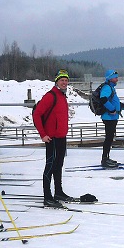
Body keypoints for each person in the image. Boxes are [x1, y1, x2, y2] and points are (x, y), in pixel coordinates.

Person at [33, 70, 74, 208]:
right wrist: (43, 134)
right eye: (62, 80)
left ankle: (58, 192)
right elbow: (37, 115)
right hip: (52, 138)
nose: (64, 82)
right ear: (56, 81)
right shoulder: (51, 96)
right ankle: (47, 196)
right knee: (50, 166)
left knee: (59, 165)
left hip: (61, 137)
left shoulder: (62, 96)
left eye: (66, 80)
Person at [99, 70, 124, 168]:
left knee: (110, 138)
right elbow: (103, 99)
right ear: (110, 78)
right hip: (109, 117)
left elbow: (110, 99)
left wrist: (119, 105)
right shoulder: (107, 87)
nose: (117, 79)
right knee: (109, 138)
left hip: (112, 117)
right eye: (115, 77)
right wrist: (112, 109)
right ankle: (104, 159)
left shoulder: (110, 87)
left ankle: (106, 158)